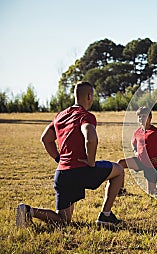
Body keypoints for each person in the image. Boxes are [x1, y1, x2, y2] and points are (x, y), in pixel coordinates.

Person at [16, 81, 124, 227]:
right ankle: (105, 216)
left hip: (62, 174)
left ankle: (29, 211)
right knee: (118, 170)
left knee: (63, 220)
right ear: (89, 96)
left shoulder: (60, 116)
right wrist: (91, 163)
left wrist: (59, 159)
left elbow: (46, 139)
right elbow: (91, 139)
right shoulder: (85, 115)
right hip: (81, 170)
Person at [118, 106, 157, 195]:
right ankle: (121, 190)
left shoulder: (155, 132)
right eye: (139, 116)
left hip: (152, 165)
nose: (141, 118)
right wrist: (135, 151)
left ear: (150, 118)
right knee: (120, 163)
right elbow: (133, 143)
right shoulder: (137, 132)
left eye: (144, 116)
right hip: (139, 161)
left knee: (152, 193)